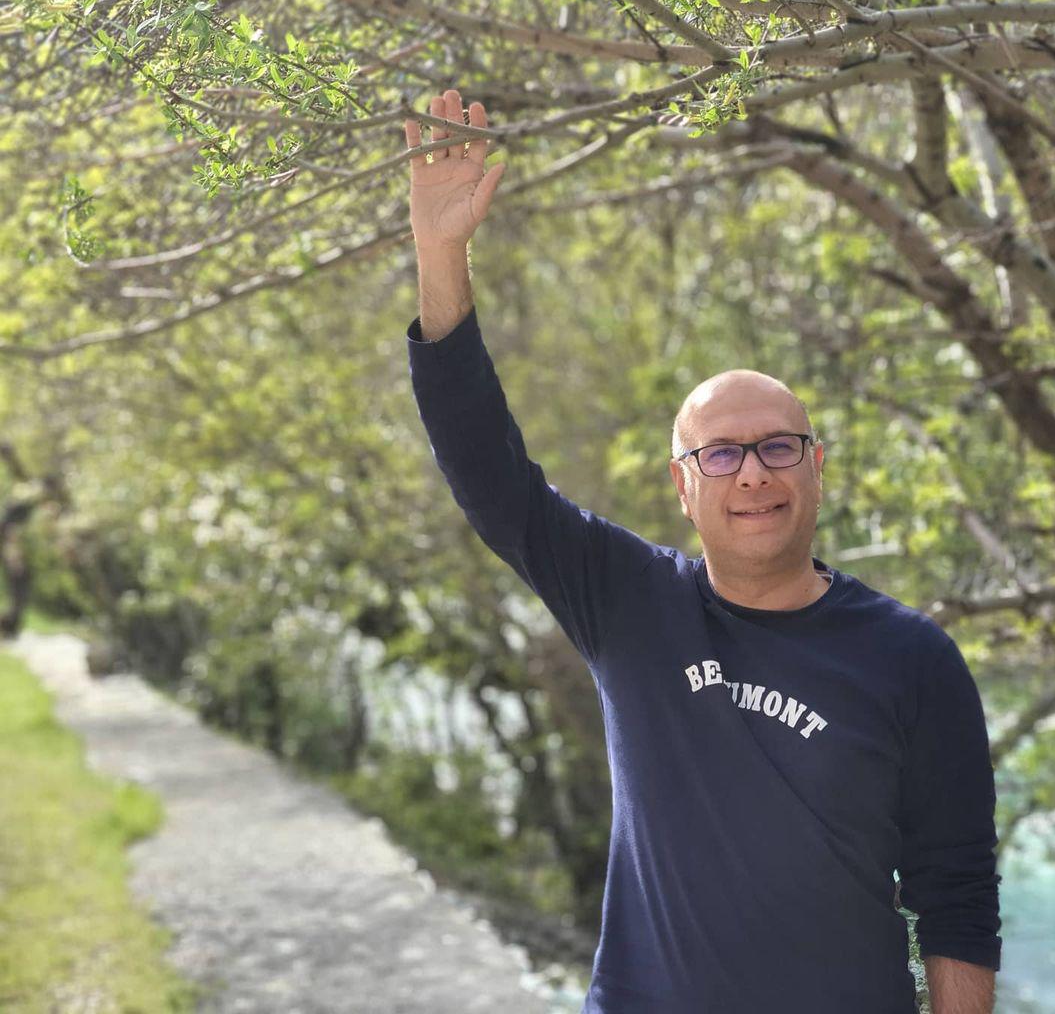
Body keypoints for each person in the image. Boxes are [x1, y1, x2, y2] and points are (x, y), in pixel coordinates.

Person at [402, 89, 1002, 1014]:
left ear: (816, 469)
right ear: (683, 487)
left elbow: (956, 897)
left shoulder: (912, 659)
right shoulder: (629, 603)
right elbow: (489, 472)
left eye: (777, 447)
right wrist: (443, 253)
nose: (752, 474)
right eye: (719, 454)